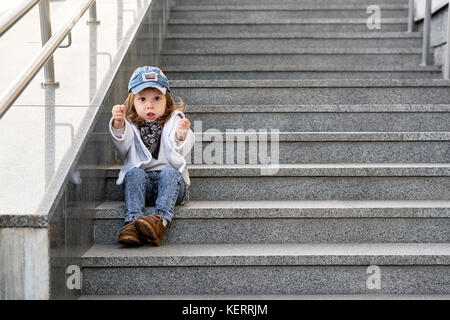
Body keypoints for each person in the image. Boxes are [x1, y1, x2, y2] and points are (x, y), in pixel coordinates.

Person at [109, 66, 194, 246]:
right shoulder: (130, 123)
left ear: (167, 100)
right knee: (134, 173)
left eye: (157, 98)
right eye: (142, 99)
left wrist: (181, 134)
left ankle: (159, 222)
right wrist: (118, 123)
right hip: (143, 186)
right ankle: (133, 223)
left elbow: (180, 147)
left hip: (170, 187)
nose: (150, 105)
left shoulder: (174, 120)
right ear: (132, 103)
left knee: (170, 174)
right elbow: (122, 145)